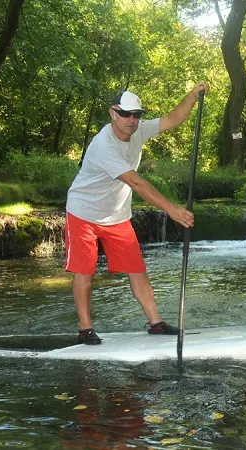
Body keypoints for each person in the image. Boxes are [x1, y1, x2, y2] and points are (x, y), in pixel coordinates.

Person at [65, 84, 208, 345]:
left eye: (136, 115)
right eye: (126, 114)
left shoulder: (138, 129)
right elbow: (138, 183)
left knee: (136, 269)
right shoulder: (103, 146)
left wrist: (191, 97)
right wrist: (172, 210)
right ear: (113, 113)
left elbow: (172, 119)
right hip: (84, 212)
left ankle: (156, 323)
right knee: (85, 272)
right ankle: (85, 328)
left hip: (116, 215)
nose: (131, 121)